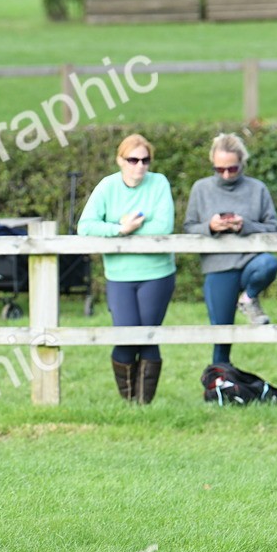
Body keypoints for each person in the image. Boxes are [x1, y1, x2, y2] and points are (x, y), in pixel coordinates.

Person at [77, 133, 175, 405]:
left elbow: (164, 226)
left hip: (157, 272)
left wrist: (131, 229)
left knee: (148, 336)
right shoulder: (107, 186)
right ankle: (128, 402)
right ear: (120, 160)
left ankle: (143, 406)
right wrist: (119, 229)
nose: (139, 166)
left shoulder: (159, 183)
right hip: (119, 275)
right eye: (133, 160)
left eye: (145, 160)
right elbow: (86, 226)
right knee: (125, 337)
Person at [183, 133, 277, 365]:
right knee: (222, 335)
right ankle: (220, 377)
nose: (226, 174)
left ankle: (248, 298)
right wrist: (210, 226)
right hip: (218, 267)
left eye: (232, 169)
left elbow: (273, 228)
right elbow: (189, 227)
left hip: (250, 261)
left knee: (270, 263)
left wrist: (245, 225)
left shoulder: (257, 189)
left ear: (242, 164)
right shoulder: (201, 188)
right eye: (219, 169)